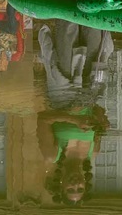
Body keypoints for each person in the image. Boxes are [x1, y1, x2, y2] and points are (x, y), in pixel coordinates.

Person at [36, 19, 113, 207]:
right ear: (86, 184)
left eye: (70, 190)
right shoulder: (92, 153)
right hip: (88, 91)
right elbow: (97, 111)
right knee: (94, 30)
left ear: (60, 184)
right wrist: (101, 119)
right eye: (80, 189)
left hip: (63, 91)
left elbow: (43, 118)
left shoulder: (51, 154)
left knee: (68, 30)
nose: (76, 185)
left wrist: (72, 119)